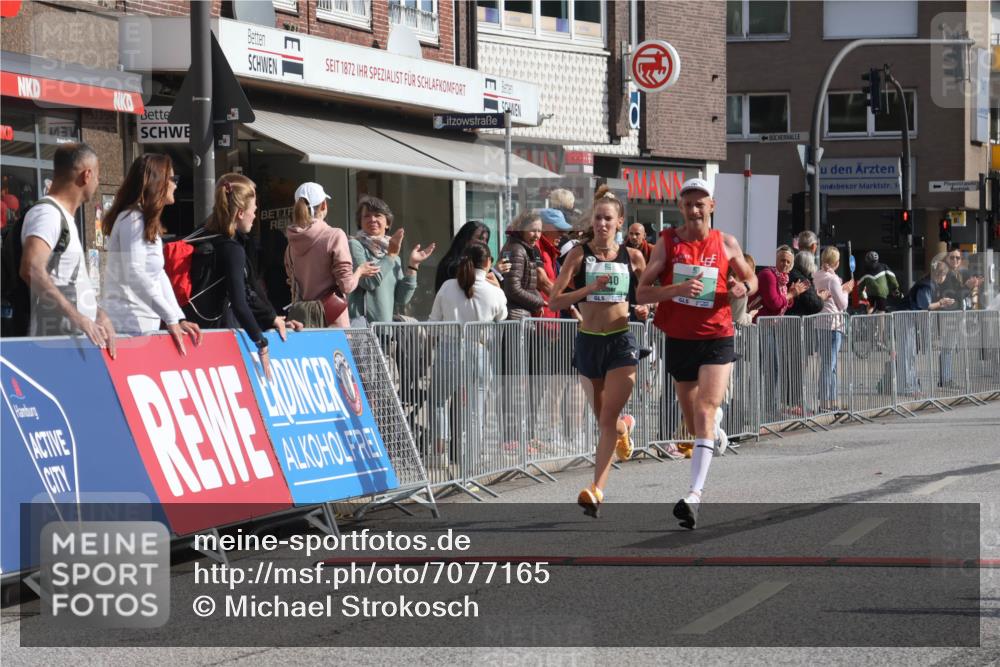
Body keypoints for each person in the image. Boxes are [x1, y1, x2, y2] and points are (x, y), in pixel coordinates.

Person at [637, 177, 757, 530]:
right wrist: (675, 289)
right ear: (681, 206)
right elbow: (643, 293)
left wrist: (740, 286)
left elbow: (752, 280)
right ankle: (713, 436)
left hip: (717, 336)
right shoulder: (667, 243)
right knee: (694, 424)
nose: (694, 209)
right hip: (679, 338)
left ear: (712, 206)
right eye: (688, 203)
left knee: (706, 408)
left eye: (700, 203)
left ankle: (694, 496)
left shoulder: (727, 243)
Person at [548, 186, 647, 517]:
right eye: (598, 218)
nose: (602, 223)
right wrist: (588, 289)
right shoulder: (578, 254)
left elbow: (644, 296)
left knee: (605, 418)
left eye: (608, 218)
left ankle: (596, 490)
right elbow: (554, 300)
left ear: (620, 222)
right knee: (604, 418)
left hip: (621, 341)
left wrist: (645, 309)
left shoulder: (632, 257)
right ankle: (624, 428)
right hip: (589, 341)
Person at [19, 142, 116, 355]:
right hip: (55, 345)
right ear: (87, 175)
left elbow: (66, 280)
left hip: (70, 342)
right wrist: (78, 318)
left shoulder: (63, 217)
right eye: (98, 176)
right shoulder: (48, 215)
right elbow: (31, 270)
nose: (98, 182)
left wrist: (97, 314)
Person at [101, 154, 201, 354]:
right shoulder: (134, 219)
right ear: (158, 183)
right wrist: (170, 317)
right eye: (173, 179)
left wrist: (177, 316)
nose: (175, 185)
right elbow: (136, 274)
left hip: (141, 324)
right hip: (128, 325)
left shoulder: (144, 221)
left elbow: (158, 274)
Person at [429, 242, 508, 468]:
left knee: (438, 402)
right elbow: (502, 316)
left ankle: (438, 455)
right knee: (476, 410)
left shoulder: (447, 286)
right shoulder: (494, 292)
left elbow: (434, 320)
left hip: (448, 348)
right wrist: (498, 287)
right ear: (488, 263)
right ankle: (471, 460)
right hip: (479, 350)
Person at [285, 182, 378, 328]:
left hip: (303, 322)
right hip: (332, 320)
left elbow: (292, 282)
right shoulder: (334, 236)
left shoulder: (291, 244)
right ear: (324, 205)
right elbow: (346, 286)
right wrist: (359, 271)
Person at [348, 195, 435, 324]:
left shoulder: (392, 253)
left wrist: (413, 266)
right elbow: (368, 282)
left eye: (378, 215)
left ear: (387, 223)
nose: (372, 219)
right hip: (362, 330)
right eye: (366, 216)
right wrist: (390, 256)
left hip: (386, 331)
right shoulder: (355, 245)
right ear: (360, 222)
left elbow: (402, 298)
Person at [812, 247, 853, 411]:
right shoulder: (832, 279)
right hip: (833, 323)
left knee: (830, 365)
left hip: (820, 323)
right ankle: (824, 403)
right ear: (836, 263)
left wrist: (841, 289)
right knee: (829, 366)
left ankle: (832, 401)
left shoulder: (816, 275)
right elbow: (842, 304)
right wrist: (847, 291)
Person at [500, 210, 547, 320]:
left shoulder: (520, 248)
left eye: (539, 231)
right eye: (532, 231)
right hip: (515, 315)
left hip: (519, 313)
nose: (537, 236)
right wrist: (538, 301)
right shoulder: (517, 250)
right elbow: (512, 289)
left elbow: (526, 286)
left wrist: (537, 299)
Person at [751, 245, 808, 319]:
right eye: (782, 260)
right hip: (758, 323)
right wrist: (791, 294)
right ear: (775, 260)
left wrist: (790, 296)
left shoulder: (783, 278)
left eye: (788, 262)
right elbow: (775, 304)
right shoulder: (768, 275)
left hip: (770, 323)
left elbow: (783, 303)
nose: (785, 264)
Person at [435, 220, 492, 292]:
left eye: (486, 240)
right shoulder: (451, 266)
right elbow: (474, 288)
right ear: (466, 239)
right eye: (480, 238)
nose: (483, 243)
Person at [536, 208, 570, 318]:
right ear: (544, 227)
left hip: (551, 319)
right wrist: (571, 307)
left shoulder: (551, 250)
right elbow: (543, 282)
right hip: (539, 320)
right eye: (559, 229)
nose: (563, 234)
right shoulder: (536, 247)